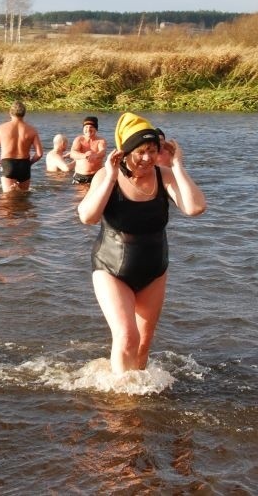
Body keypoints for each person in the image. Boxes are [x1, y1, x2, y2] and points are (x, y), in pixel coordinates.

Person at [77, 112, 206, 374]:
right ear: (124, 152)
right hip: (111, 268)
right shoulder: (105, 176)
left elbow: (195, 208)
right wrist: (111, 176)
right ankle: (121, 402)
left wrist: (178, 165)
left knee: (144, 343)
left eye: (152, 150)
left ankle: (137, 397)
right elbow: (87, 217)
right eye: (140, 151)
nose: (147, 158)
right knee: (127, 337)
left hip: (154, 270)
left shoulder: (165, 175)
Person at [0, 100, 43, 192]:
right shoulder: (32, 130)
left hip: (8, 164)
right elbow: (39, 154)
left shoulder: (2, 128)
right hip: (24, 165)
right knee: (24, 197)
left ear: (10, 113)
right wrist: (30, 163)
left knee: (7, 199)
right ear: (24, 113)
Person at [70, 116, 107, 184]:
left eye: (91, 127)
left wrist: (95, 155)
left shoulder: (101, 140)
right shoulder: (79, 139)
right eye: (86, 127)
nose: (88, 129)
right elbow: (72, 153)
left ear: (96, 129)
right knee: (81, 194)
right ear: (83, 129)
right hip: (80, 176)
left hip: (96, 175)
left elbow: (103, 152)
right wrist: (85, 156)